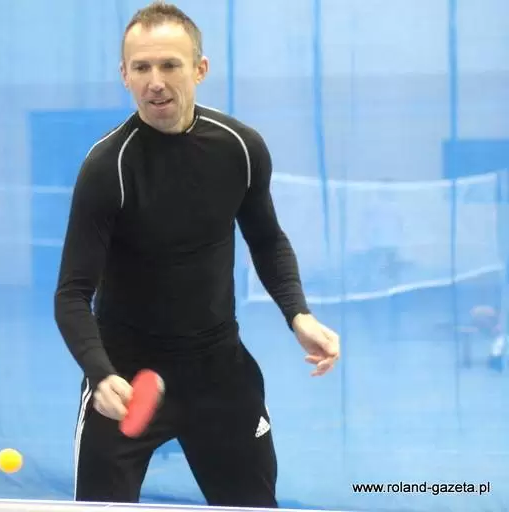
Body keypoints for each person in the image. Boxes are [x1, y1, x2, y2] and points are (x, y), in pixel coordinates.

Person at [53, 1, 340, 508]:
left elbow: (267, 240)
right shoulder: (107, 167)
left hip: (220, 373)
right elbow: (73, 293)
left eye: (170, 65)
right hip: (126, 376)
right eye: (141, 67)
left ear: (200, 69)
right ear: (124, 75)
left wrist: (299, 315)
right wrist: (100, 374)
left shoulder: (240, 148)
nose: (155, 82)